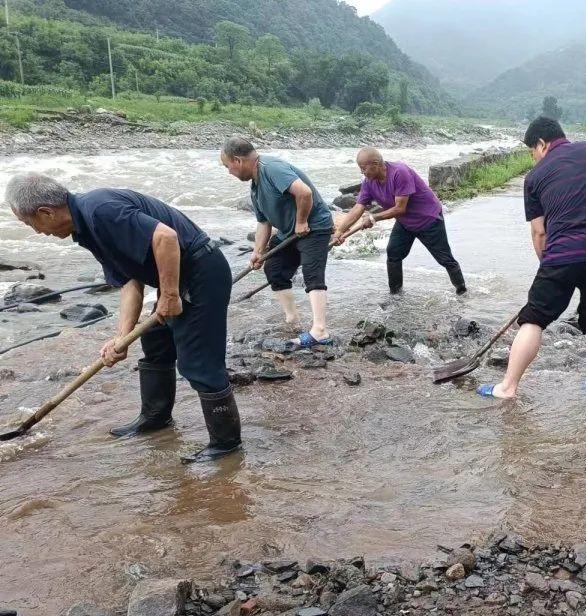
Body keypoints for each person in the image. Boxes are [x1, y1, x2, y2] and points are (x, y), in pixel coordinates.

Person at [5, 173, 240, 463]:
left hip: (202, 272)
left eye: (30, 225)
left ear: (46, 212)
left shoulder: (101, 210)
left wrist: (168, 296)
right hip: (180, 277)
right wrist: (121, 337)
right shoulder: (86, 228)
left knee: (199, 362)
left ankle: (226, 443)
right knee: (155, 340)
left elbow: (166, 237)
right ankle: (155, 418)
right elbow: (130, 281)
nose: (37, 233)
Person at [476, 117, 586, 399]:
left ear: (542, 144)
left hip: (563, 253)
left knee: (533, 319)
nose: (533, 158)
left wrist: (549, 268)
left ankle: (507, 388)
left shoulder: (534, 177)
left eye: (532, 151)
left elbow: (539, 232)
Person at [220, 137, 335, 349]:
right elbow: (263, 223)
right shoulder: (255, 187)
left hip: (314, 227)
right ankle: (293, 319)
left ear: (237, 160)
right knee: (274, 269)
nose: (229, 172)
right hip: (288, 233)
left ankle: (320, 330)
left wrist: (301, 221)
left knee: (312, 273)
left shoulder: (271, 168)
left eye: (228, 167)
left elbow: (304, 192)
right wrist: (257, 251)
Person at [330, 148, 466, 295]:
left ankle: (462, 291)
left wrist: (373, 218)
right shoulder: (369, 182)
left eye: (363, 168)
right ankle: (395, 294)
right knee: (393, 254)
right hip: (405, 222)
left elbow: (400, 208)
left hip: (428, 219)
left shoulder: (399, 172)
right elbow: (358, 207)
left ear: (375, 164)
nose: (362, 172)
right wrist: (339, 231)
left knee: (444, 258)